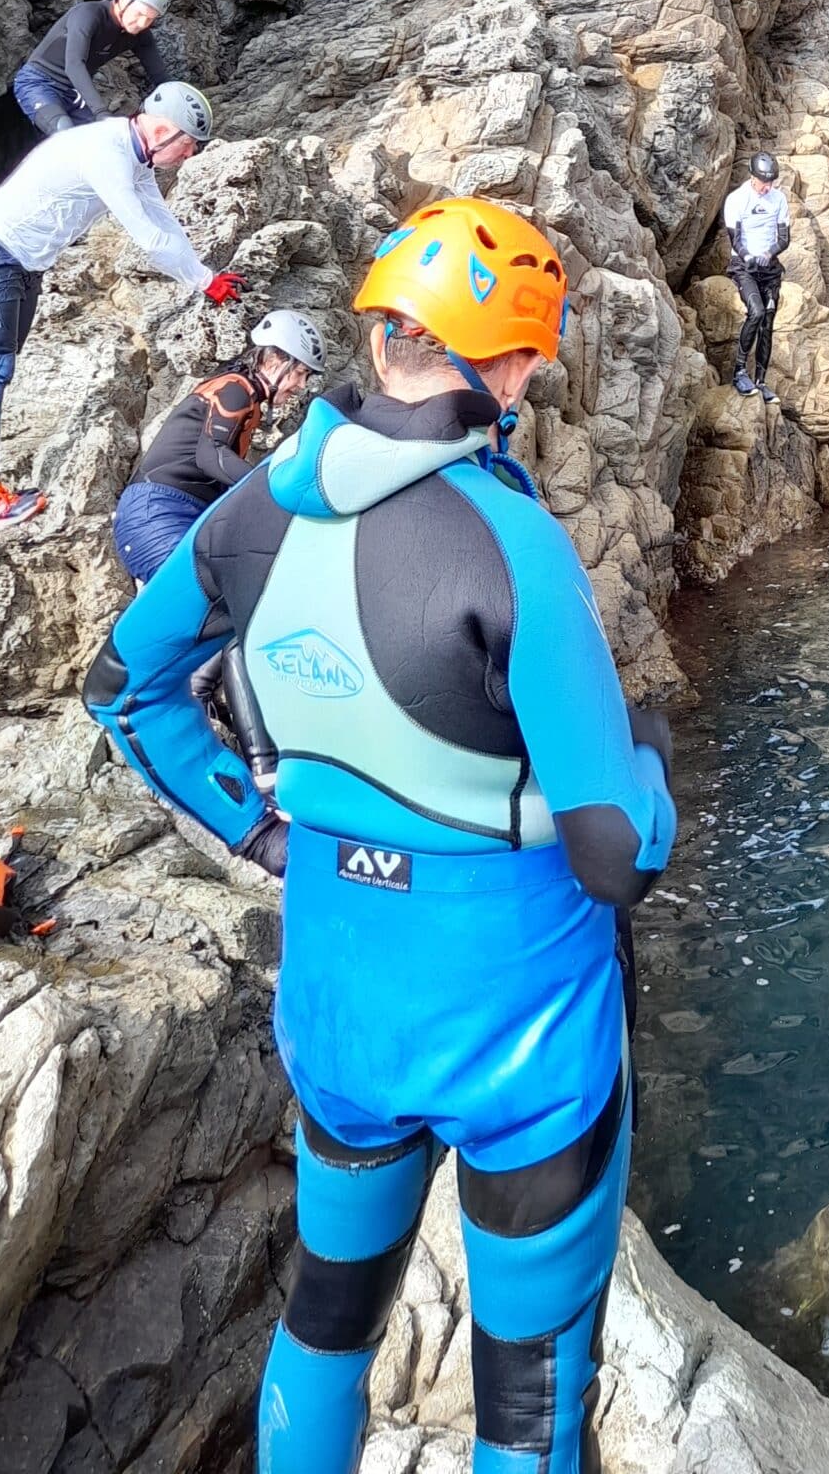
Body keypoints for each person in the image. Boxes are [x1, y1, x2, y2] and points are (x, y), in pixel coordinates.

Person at [82, 196, 675, 1474]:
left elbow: (123, 687)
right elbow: (615, 851)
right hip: (520, 1040)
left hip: (342, 999)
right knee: (527, 1398)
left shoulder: (250, 512)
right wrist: (654, 769)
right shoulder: (515, 543)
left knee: (331, 1310)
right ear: (508, 362)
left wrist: (260, 835)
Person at [0, 82, 243, 528]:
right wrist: (203, 282)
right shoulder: (106, 152)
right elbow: (146, 237)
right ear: (163, 130)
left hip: (22, 263)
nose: (189, 156)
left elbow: (161, 219)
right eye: (187, 146)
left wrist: (206, 274)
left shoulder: (133, 152)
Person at [112, 309, 327, 584]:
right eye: (299, 373)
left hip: (174, 512)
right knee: (196, 594)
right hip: (157, 510)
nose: (301, 385)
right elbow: (210, 454)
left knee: (222, 602)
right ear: (272, 360)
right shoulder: (235, 389)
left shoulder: (243, 392)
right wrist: (271, 483)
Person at [12, 0, 174, 135]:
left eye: (150, 19)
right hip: (37, 81)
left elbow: (161, 77)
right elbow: (74, 65)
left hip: (72, 90)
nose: (142, 23)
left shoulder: (140, 36)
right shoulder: (89, 14)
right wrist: (100, 112)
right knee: (64, 131)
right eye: (140, 13)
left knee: (99, 139)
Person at [722, 150, 790, 399]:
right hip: (744, 266)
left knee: (768, 320)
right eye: (764, 182)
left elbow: (784, 238)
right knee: (757, 311)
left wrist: (770, 252)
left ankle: (761, 381)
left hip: (769, 267)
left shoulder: (779, 199)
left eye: (771, 182)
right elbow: (736, 240)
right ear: (753, 177)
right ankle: (739, 372)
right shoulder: (737, 200)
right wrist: (750, 256)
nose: (767, 187)